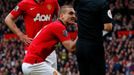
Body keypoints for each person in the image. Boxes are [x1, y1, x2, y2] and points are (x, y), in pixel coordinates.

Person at [21, 5, 77, 75]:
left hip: (31, 64)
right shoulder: (59, 26)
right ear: (62, 16)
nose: (74, 16)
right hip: (34, 64)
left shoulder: (55, 25)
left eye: (74, 14)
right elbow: (71, 47)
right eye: (71, 13)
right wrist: (83, 32)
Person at [4, 0, 59, 69]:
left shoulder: (53, 2)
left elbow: (61, 19)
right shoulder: (24, 3)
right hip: (32, 48)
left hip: (49, 49)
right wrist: (20, 35)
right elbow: (8, 19)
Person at [74, 0, 113, 75]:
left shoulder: (79, 2)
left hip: (80, 45)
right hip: (94, 46)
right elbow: (108, 27)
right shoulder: (102, 3)